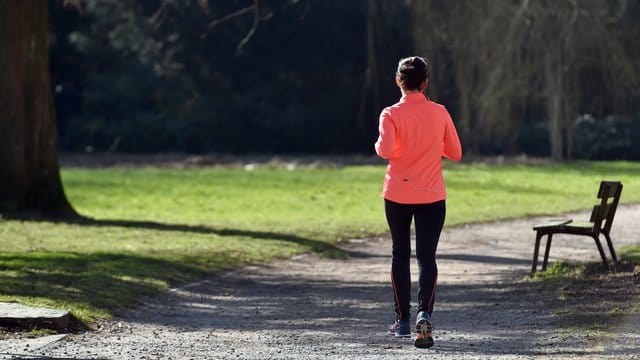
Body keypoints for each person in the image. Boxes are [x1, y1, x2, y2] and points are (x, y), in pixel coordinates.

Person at [374, 56, 462, 348]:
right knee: (427, 257)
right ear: (425, 83)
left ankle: (402, 321)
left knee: (400, 254)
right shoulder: (440, 112)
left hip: (397, 194)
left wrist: (382, 143)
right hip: (432, 194)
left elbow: (385, 150)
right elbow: (455, 152)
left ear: (399, 81)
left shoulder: (390, 114)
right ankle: (425, 311)